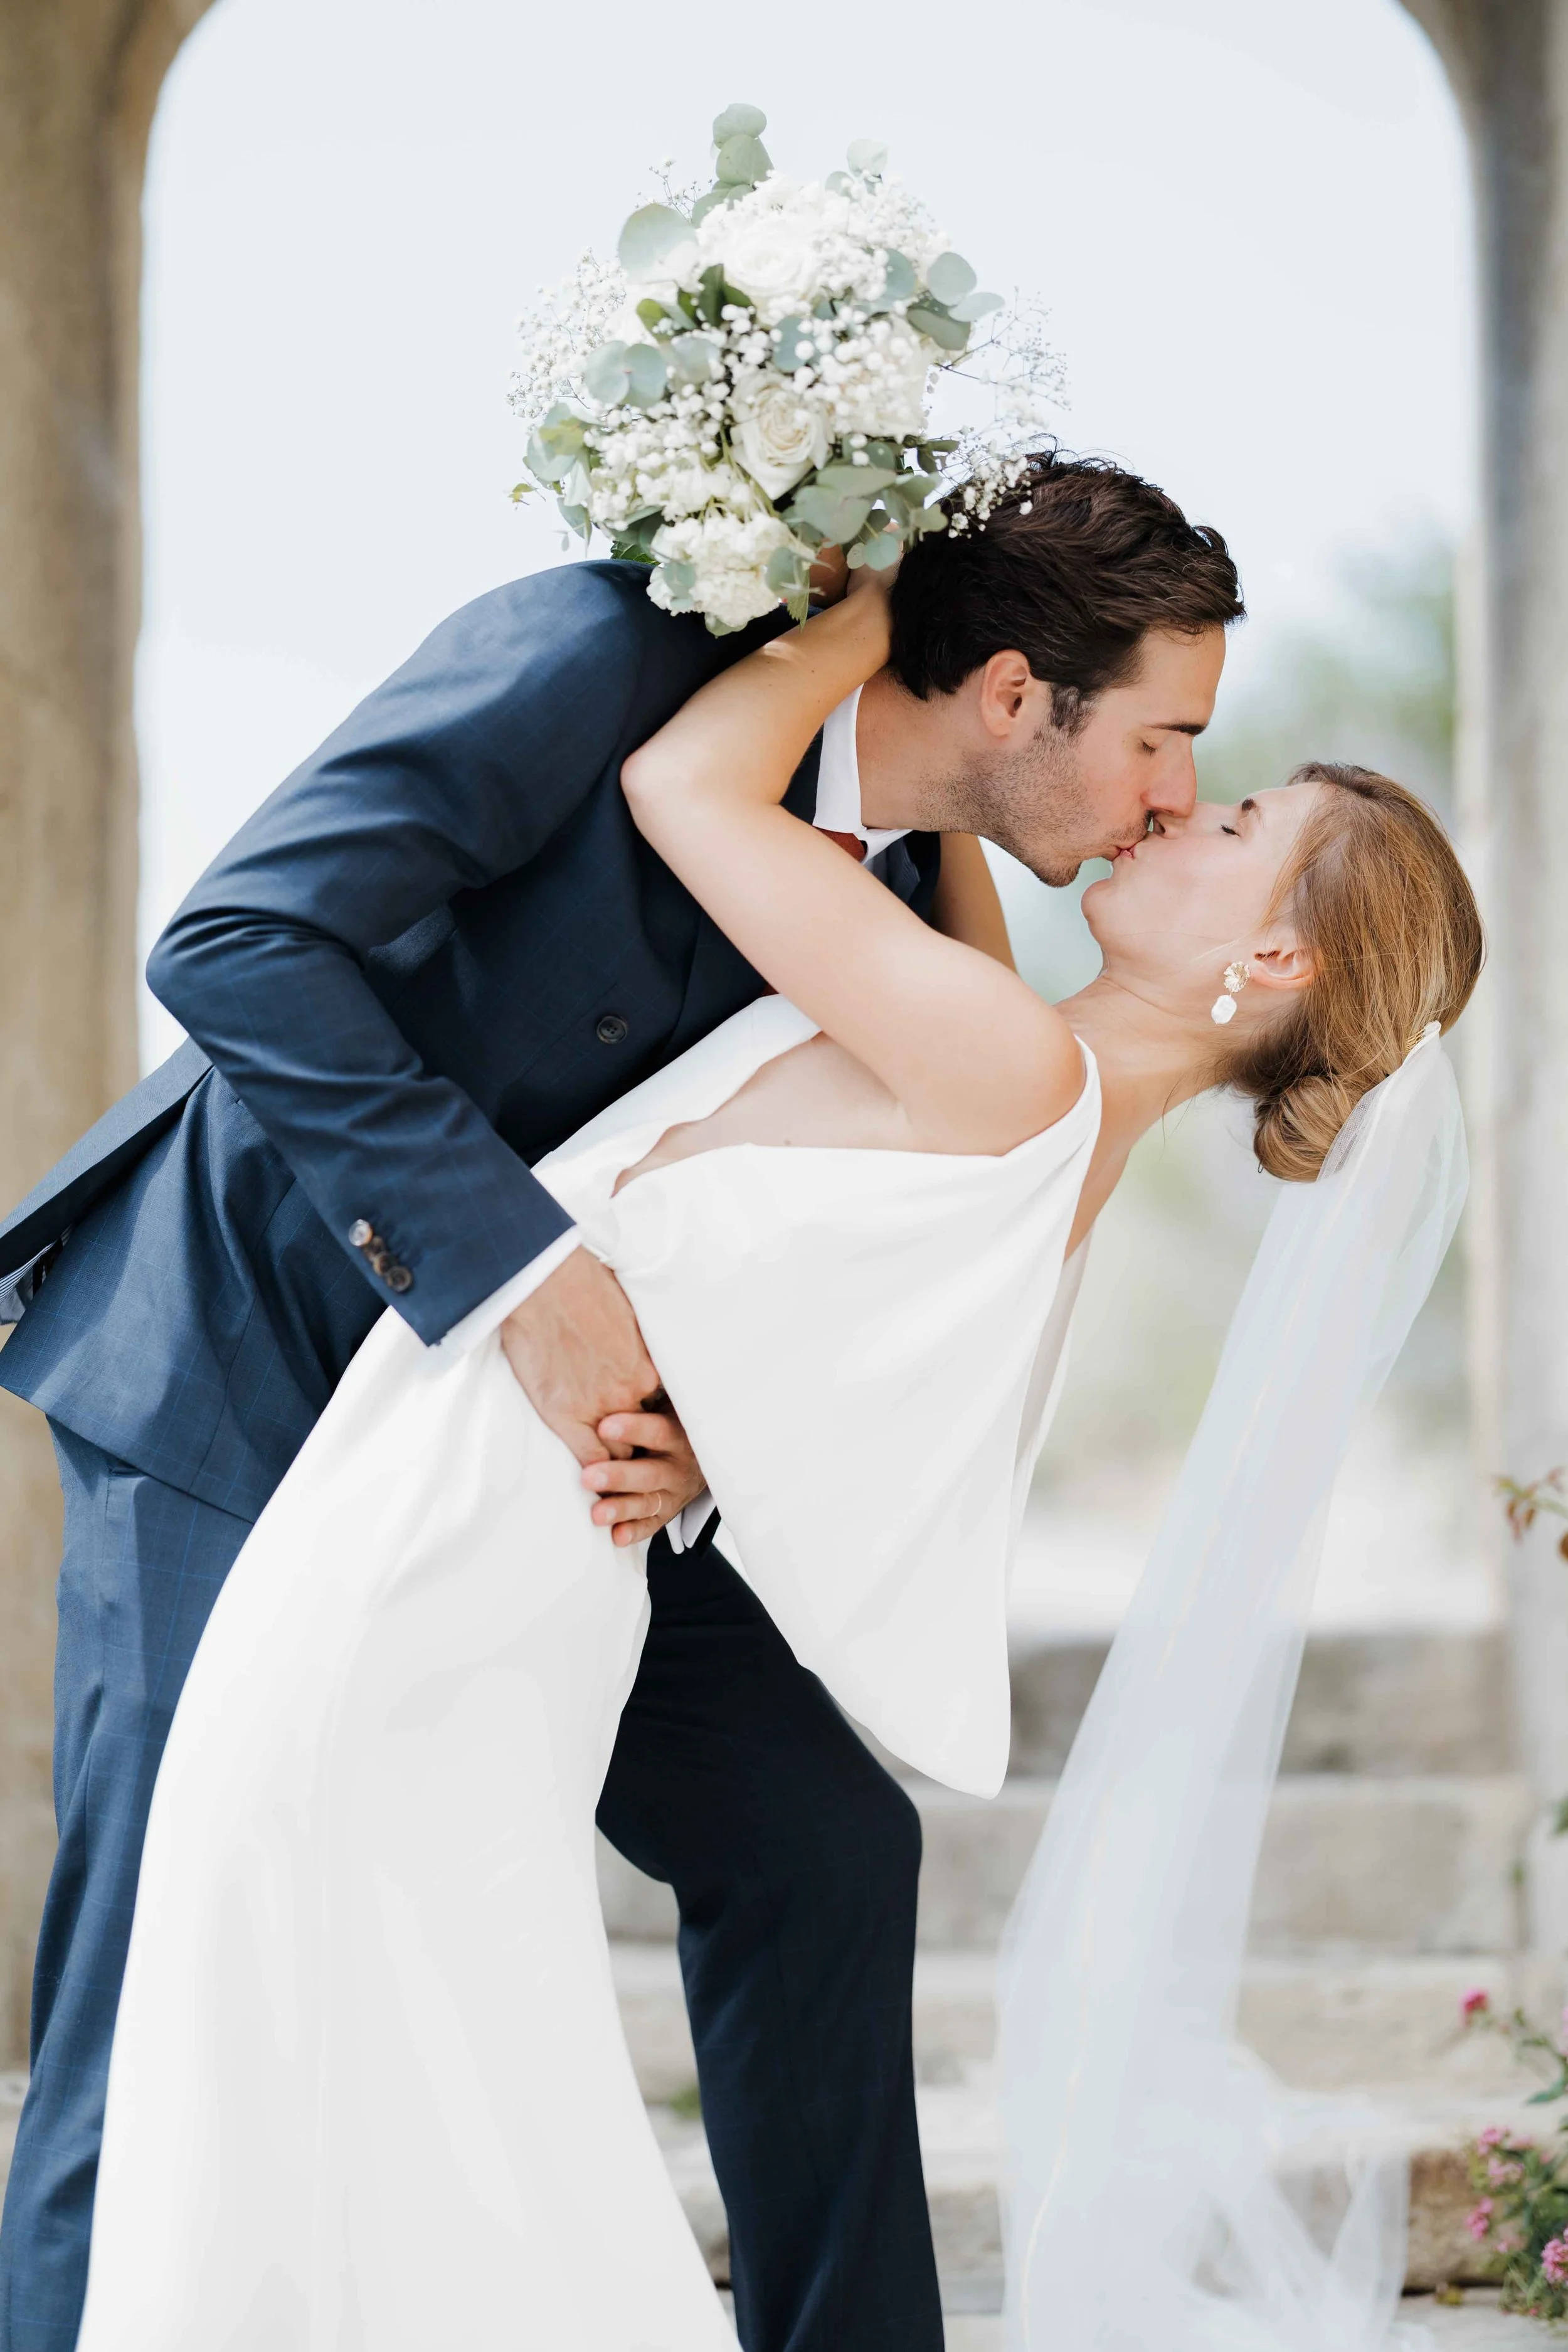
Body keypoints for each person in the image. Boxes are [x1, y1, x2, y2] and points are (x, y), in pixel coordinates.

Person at [61, 563, 1481, 2351]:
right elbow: (863, 1341)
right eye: (1173, 746)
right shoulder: (1044, 1091)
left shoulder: (1007, 1061)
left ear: (1269, 957)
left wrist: (867, 616)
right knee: (381, 2009)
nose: (1183, 796)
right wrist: (715, 1436)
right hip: (469, 1464)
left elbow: (680, 792)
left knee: (276, 1980)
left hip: (466, 1503)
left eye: (1226, 797)